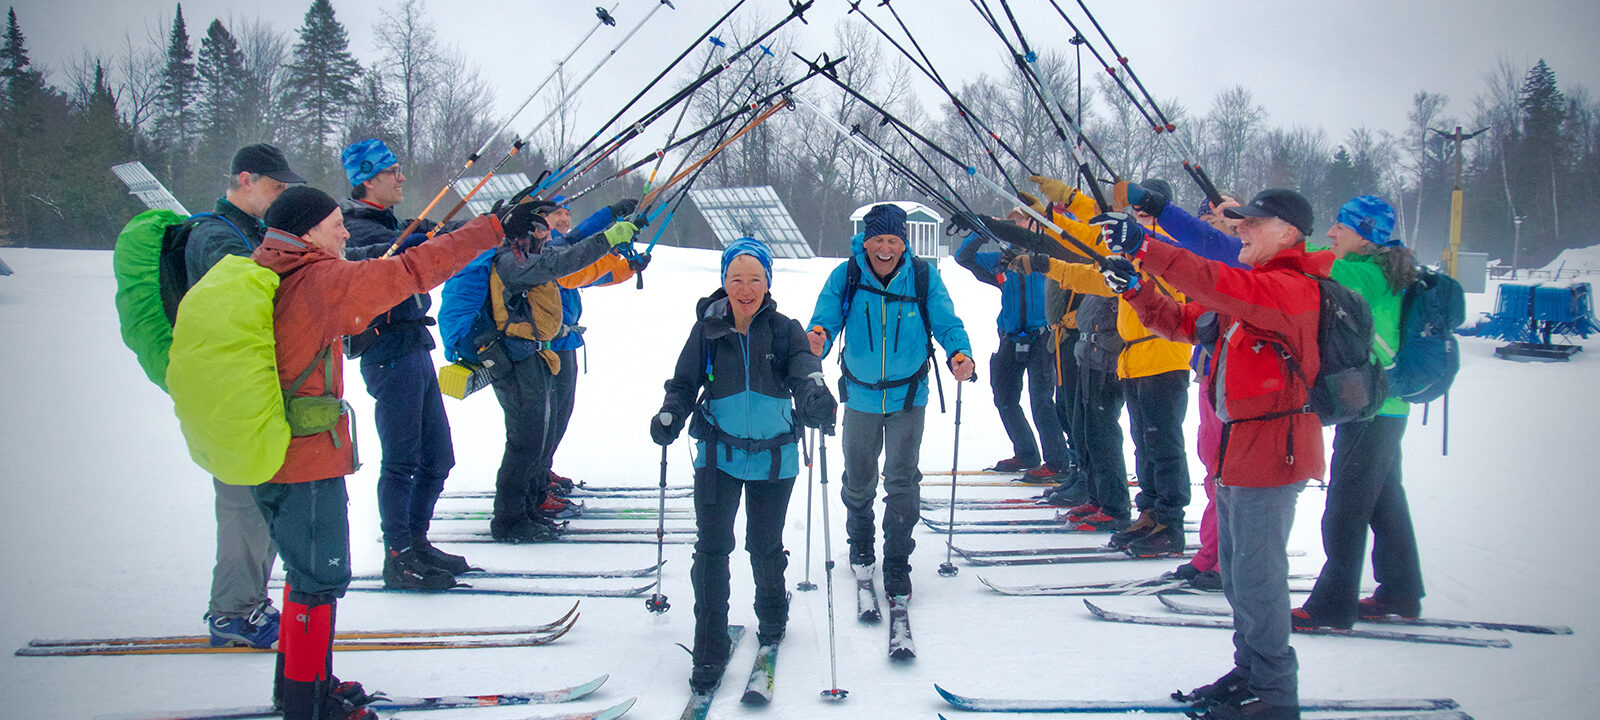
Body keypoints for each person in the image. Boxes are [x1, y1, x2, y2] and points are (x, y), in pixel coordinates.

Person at [249, 185, 530, 720]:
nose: (346, 233)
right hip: (305, 456)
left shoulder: (270, 268)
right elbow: (410, 273)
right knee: (318, 581)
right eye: (336, 225)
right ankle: (309, 702)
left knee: (304, 576)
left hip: (272, 450)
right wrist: (490, 229)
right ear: (307, 232)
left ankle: (300, 684)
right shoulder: (317, 279)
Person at [1104, 188, 1329, 720]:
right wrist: (1137, 289)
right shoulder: (1252, 292)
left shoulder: (1288, 289)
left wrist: (1147, 248)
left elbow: (1214, 279)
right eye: (1242, 221)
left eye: (1255, 222)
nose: (1241, 229)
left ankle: (1274, 695)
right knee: (1237, 571)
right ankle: (1249, 673)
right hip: (1238, 449)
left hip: (1274, 453)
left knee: (1257, 577)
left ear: (1289, 233)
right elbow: (1185, 322)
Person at [651, 238, 837, 693]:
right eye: (736, 279)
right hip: (719, 455)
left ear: (768, 283)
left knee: (763, 544)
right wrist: (672, 412)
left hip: (775, 458)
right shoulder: (706, 332)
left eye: (755, 279)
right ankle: (709, 649)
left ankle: (773, 613)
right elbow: (683, 381)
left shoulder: (786, 329)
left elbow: (805, 369)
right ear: (724, 283)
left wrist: (815, 396)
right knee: (712, 549)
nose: (746, 287)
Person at [996, 178, 1194, 557]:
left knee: (1163, 447)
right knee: (1145, 444)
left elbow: (1096, 236)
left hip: (1162, 357)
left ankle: (1169, 522)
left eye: (1145, 211)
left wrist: (1067, 204)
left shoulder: (1168, 249)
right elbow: (1093, 266)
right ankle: (1150, 514)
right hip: (1133, 359)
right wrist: (1045, 256)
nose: (1138, 218)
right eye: (1136, 211)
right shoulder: (1135, 252)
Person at [806, 203, 974, 599]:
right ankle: (861, 541)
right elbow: (825, 320)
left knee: (902, 481)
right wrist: (817, 337)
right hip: (861, 397)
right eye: (878, 239)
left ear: (904, 243)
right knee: (859, 480)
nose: (886, 248)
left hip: (908, 398)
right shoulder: (846, 275)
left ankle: (898, 559)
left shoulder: (921, 276)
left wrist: (959, 353)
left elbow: (948, 322)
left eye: (893, 240)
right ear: (866, 242)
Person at [183, 142, 302, 648]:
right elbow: (250, 291)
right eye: (275, 187)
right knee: (243, 503)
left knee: (262, 501)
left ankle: (246, 602)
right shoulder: (214, 234)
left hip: (253, 378)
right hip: (230, 385)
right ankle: (233, 612)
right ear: (245, 178)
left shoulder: (252, 231)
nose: (279, 197)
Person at [336, 138, 463, 590]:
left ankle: (416, 541)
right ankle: (399, 555)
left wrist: (493, 224)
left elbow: (432, 237)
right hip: (387, 353)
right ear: (367, 179)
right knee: (402, 459)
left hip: (414, 346)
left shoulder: (391, 225)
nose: (401, 177)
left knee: (439, 457)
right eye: (392, 171)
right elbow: (398, 253)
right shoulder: (358, 231)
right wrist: (425, 238)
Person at [1293, 196, 1425, 629]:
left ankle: (1333, 604)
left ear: (1363, 234)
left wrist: (1248, 231)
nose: (1331, 234)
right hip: (1389, 406)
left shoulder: (1362, 273)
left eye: (1341, 228)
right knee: (1385, 499)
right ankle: (1401, 589)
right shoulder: (1389, 271)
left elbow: (1295, 261)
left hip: (1370, 407)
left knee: (1345, 506)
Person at [484, 196, 639, 542]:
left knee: (537, 439)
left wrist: (613, 239)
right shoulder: (510, 259)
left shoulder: (534, 252)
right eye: (539, 226)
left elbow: (570, 250)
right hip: (517, 357)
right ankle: (509, 518)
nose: (546, 231)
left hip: (536, 354)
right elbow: (563, 263)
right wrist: (608, 238)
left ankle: (526, 508)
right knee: (525, 443)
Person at [539, 195, 644, 514]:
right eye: (557, 213)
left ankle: (541, 472)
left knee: (559, 414)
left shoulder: (560, 243)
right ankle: (535, 481)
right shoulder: (546, 250)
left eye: (567, 213)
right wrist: (618, 255)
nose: (564, 219)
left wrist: (611, 215)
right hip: (546, 343)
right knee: (545, 419)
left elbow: (583, 241)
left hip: (565, 339)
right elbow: (584, 265)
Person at [953, 210, 1073, 481]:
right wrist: (983, 229)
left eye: (1024, 220)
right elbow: (964, 258)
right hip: (1010, 337)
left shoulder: (1051, 258)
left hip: (1043, 338)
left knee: (1042, 400)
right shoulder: (1001, 260)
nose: (1019, 225)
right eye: (1014, 221)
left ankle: (1057, 463)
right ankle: (1027, 454)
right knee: (1004, 397)